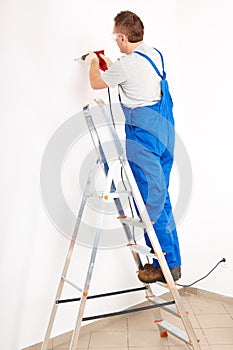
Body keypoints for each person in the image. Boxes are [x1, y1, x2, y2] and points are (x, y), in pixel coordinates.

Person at [83, 10, 181, 283]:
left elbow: (95, 82)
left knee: (151, 202)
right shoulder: (154, 54)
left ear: (123, 37)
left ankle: (164, 265)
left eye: (116, 37)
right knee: (162, 199)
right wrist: (112, 65)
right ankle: (172, 261)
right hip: (166, 133)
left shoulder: (125, 66)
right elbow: (133, 75)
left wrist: (93, 61)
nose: (115, 41)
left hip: (144, 138)